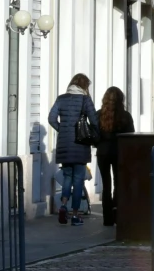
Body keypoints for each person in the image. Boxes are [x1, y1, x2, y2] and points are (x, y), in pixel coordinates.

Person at [48, 74, 100, 224]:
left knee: (67, 177)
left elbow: (51, 119)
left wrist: (62, 130)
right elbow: (94, 121)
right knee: (78, 180)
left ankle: (63, 206)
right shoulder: (85, 99)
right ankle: (76, 214)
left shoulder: (61, 98)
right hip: (80, 145)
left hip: (64, 146)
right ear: (84, 86)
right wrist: (94, 136)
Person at [95, 86, 133, 228]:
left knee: (106, 185)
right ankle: (117, 213)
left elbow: (94, 135)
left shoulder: (99, 115)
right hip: (119, 152)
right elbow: (131, 134)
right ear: (121, 100)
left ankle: (107, 219)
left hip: (103, 152)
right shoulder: (125, 116)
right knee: (118, 183)